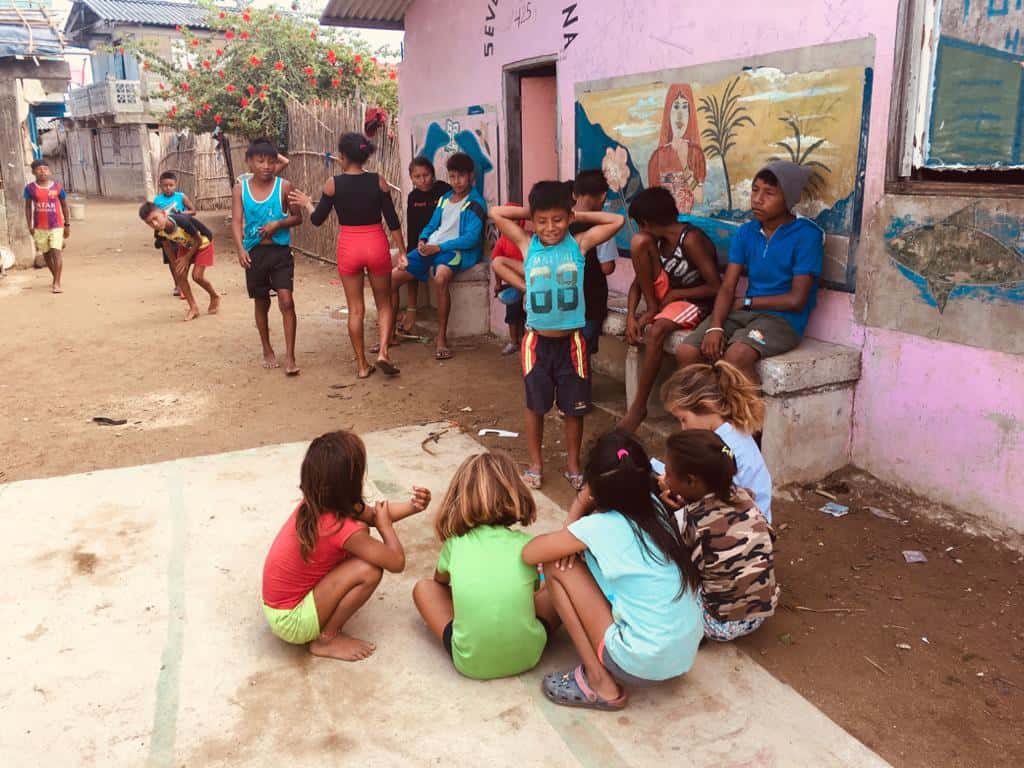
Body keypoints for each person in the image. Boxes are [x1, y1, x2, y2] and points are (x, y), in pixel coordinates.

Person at [522, 430, 703, 710]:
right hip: (683, 655)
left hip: (640, 662)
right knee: (578, 558)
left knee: (556, 565)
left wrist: (581, 505)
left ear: (593, 486)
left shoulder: (598, 527)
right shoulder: (655, 508)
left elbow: (531, 552)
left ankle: (599, 682)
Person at [490, 183, 624, 491]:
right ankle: (535, 465)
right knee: (535, 406)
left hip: (572, 343)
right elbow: (497, 212)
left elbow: (615, 222)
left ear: (569, 217)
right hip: (536, 343)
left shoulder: (578, 245)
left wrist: (573, 215)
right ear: (534, 222)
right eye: (542, 221)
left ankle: (573, 465)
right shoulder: (527, 244)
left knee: (573, 409)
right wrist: (534, 211)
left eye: (558, 220)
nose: (551, 227)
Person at [262, 430, 431, 661]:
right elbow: (396, 562)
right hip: (291, 621)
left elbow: (375, 515)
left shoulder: (321, 501)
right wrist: (386, 529)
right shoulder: (340, 528)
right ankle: (327, 639)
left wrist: (414, 506)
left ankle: (323, 625)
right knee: (369, 569)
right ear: (350, 482)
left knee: (362, 533)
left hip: (279, 608)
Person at [412, 452, 558, 679]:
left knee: (424, 589)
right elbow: (535, 591)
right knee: (555, 586)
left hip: (470, 663)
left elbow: (439, 583)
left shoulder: (455, 544)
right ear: (516, 493)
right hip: (530, 654)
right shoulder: (528, 545)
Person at [676, 161, 824, 384]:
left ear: (789, 199)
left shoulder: (806, 236)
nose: (757, 199)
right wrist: (715, 326)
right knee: (687, 352)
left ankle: (749, 417)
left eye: (769, 193)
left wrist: (747, 302)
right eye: (755, 190)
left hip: (783, 321)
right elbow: (727, 287)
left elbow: (796, 300)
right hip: (745, 314)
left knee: (735, 357)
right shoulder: (746, 232)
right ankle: (706, 414)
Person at [289, 133, 405, 379]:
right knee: (384, 303)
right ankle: (383, 351)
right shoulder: (378, 181)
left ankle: (362, 365)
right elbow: (393, 221)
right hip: (375, 243)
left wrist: (308, 203)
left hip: (349, 247)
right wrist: (402, 252)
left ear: (342, 157)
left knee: (355, 309)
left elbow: (318, 220)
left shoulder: (333, 184)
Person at [618, 187, 721, 433]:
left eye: (640, 225)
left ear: (646, 222)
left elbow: (716, 287)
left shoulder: (691, 239)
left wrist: (677, 294)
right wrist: (632, 315)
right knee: (638, 243)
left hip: (695, 303)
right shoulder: (655, 241)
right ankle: (653, 309)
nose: (641, 231)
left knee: (657, 330)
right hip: (667, 302)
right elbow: (636, 285)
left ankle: (639, 407)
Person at [662, 429, 778, 641]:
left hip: (718, 624)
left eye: (668, 473)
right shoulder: (744, 497)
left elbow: (672, 560)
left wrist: (675, 514)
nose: (665, 478)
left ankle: (696, 634)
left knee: (666, 576)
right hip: (761, 613)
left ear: (691, 481)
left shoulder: (687, 521)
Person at [391, 152, 487, 361]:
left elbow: (470, 238)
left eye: (461, 176)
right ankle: (389, 335)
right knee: (392, 278)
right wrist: (423, 239)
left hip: (453, 252)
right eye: (452, 176)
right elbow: (433, 224)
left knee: (441, 278)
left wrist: (439, 247)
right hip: (432, 247)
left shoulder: (476, 203)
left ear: (471, 176)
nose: (456, 181)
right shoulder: (445, 198)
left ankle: (441, 339)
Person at [660, 360, 772, 521]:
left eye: (683, 419)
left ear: (707, 406)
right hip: (751, 518)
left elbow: (719, 503)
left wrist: (675, 488)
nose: (683, 428)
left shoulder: (722, 447)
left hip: (744, 527)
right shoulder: (730, 432)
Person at [231, 137, 303, 375]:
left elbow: (298, 218)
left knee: (287, 301)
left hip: (280, 252)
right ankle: (267, 348)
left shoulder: (284, 186)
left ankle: (290, 356)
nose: (266, 166)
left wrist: (278, 224)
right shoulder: (240, 188)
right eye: (260, 161)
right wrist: (241, 249)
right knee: (262, 302)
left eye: (271, 162)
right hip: (254, 253)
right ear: (249, 162)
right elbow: (237, 221)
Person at [139, 202, 220, 321]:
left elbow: (198, 240)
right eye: (149, 223)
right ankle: (193, 308)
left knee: (197, 276)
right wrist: (175, 263)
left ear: (163, 214)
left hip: (203, 243)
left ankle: (214, 296)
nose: (154, 224)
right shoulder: (159, 232)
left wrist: (186, 258)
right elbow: (166, 246)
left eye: (155, 218)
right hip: (186, 245)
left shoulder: (182, 222)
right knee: (180, 275)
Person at [398, 156, 451, 335]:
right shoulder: (413, 197)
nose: (423, 180)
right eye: (417, 176)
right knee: (406, 266)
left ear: (433, 174)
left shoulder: (445, 190)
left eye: (426, 175)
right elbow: (412, 228)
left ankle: (441, 332)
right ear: (411, 178)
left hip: (443, 244)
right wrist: (413, 249)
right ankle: (411, 311)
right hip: (421, 243)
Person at [570, 172, 619, 357]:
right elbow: (607, 267)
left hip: (563, 301)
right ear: (603, 196)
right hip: (590, 302)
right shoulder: (602, 226)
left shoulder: (558, 222)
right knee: (582, 356)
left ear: (574, 194)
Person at [647, 84, 706, 213]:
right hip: (664, 223)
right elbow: (653, 201)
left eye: (685, 107)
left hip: (687, 223)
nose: (680, 115)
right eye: (676, 107)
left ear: (690, 114)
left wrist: (684, 162)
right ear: (668, 112)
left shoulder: (696, 153)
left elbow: (699, 197)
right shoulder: (657, 156)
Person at [23, 159, 69, 293]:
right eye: (39, 169)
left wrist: (67, 224)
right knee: (47, 254)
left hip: (56, 225)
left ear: (49, 171)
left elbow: (64, 205)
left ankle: (57, 283)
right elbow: (27, 208)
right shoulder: (30, 189)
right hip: (39, 226)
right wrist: (29, 225)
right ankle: (56, 276)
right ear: (33, 172)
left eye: (45, 169)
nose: (43, 171)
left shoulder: (58, 187)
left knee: (56, 252)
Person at [153, 171, 196, 297]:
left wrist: (181, 214)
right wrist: (157, 236)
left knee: (182, 258)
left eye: (171, 185)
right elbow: (154, 219)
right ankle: (177, 284)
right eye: (165, 185)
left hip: (182, 233)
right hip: (166, 235)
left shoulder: (181, 197)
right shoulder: (157, 200)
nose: (168, 188)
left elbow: (193, 211)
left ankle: (183, 283)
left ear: (175, 185)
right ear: (160, 185)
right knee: (171, 260)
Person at [490, 218, 527, 355]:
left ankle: (528, 342)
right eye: (509, 221)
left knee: (528, 314)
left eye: (515, 220)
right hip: (512, 284)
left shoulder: (528, 238)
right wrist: (498, 283)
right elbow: (496, 264)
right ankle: (513, 342)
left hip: (531, 283)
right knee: (512, 314)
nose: (512, 224)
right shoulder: (502, 242)